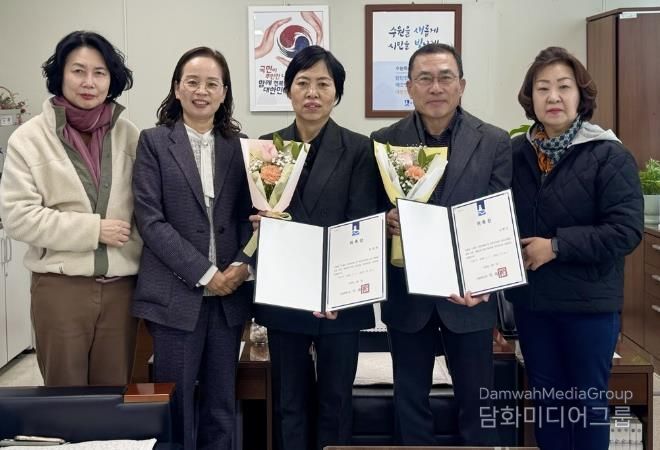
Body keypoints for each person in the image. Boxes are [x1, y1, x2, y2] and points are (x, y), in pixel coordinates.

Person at [371, 43, 511, 445]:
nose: (436, 87)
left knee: (477, 401)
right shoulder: (384, 141)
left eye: (445, 77)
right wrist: (384, 221)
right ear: (409, 88)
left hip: (468, 295)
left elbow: (498, 218)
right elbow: (369, 211)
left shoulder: (494, 141)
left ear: (461, 85)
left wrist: (485, 281)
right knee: (410, 400)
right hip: (408, 294)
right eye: (425, 78)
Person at [507, 46, 643, 450]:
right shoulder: (516, 154)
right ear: (530, 97)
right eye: (542, 88)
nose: (553, 97)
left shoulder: (608, 154)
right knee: (547, 402)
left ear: (580, 95)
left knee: (586, 403)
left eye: (564, 87)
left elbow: (625, 230)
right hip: (533, 304)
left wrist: (557, 246)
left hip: (589, 307)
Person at [251, 45, 380, 450]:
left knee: (335, 401)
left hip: (340, 297)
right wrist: (259, 224)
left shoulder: (360, 149)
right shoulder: (266, 148)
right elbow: (250, 217)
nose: (312, 92)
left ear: (337, 93)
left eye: (323, 84)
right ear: (288, 90)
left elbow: (360, 222)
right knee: (288, 402)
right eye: (302, 83)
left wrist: (334, 290)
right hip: (286, 294)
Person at [0, 31, 140, 387]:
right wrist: (93, 230)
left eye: (99, 72)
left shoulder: (130, 136)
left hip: (122, 290)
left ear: (112, 79)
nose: (89, 82)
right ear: (60, 75)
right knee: (64, 397)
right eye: (78, 71)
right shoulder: (28, 139)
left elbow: (148, 208)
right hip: (60, 288)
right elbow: (18, 217)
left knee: (114, 396)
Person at [131, 47, 253, 450]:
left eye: (212, 84)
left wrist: (242, 265)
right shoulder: (153, 142)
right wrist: (205, 273)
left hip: (229, 297)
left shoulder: (241, 146)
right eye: (193, 82)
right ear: (177, 88)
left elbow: (252, 218)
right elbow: (151, 221)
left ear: (224, 93)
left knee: (222, 403)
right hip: (175, 295)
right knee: (176, 402)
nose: (202, 91)